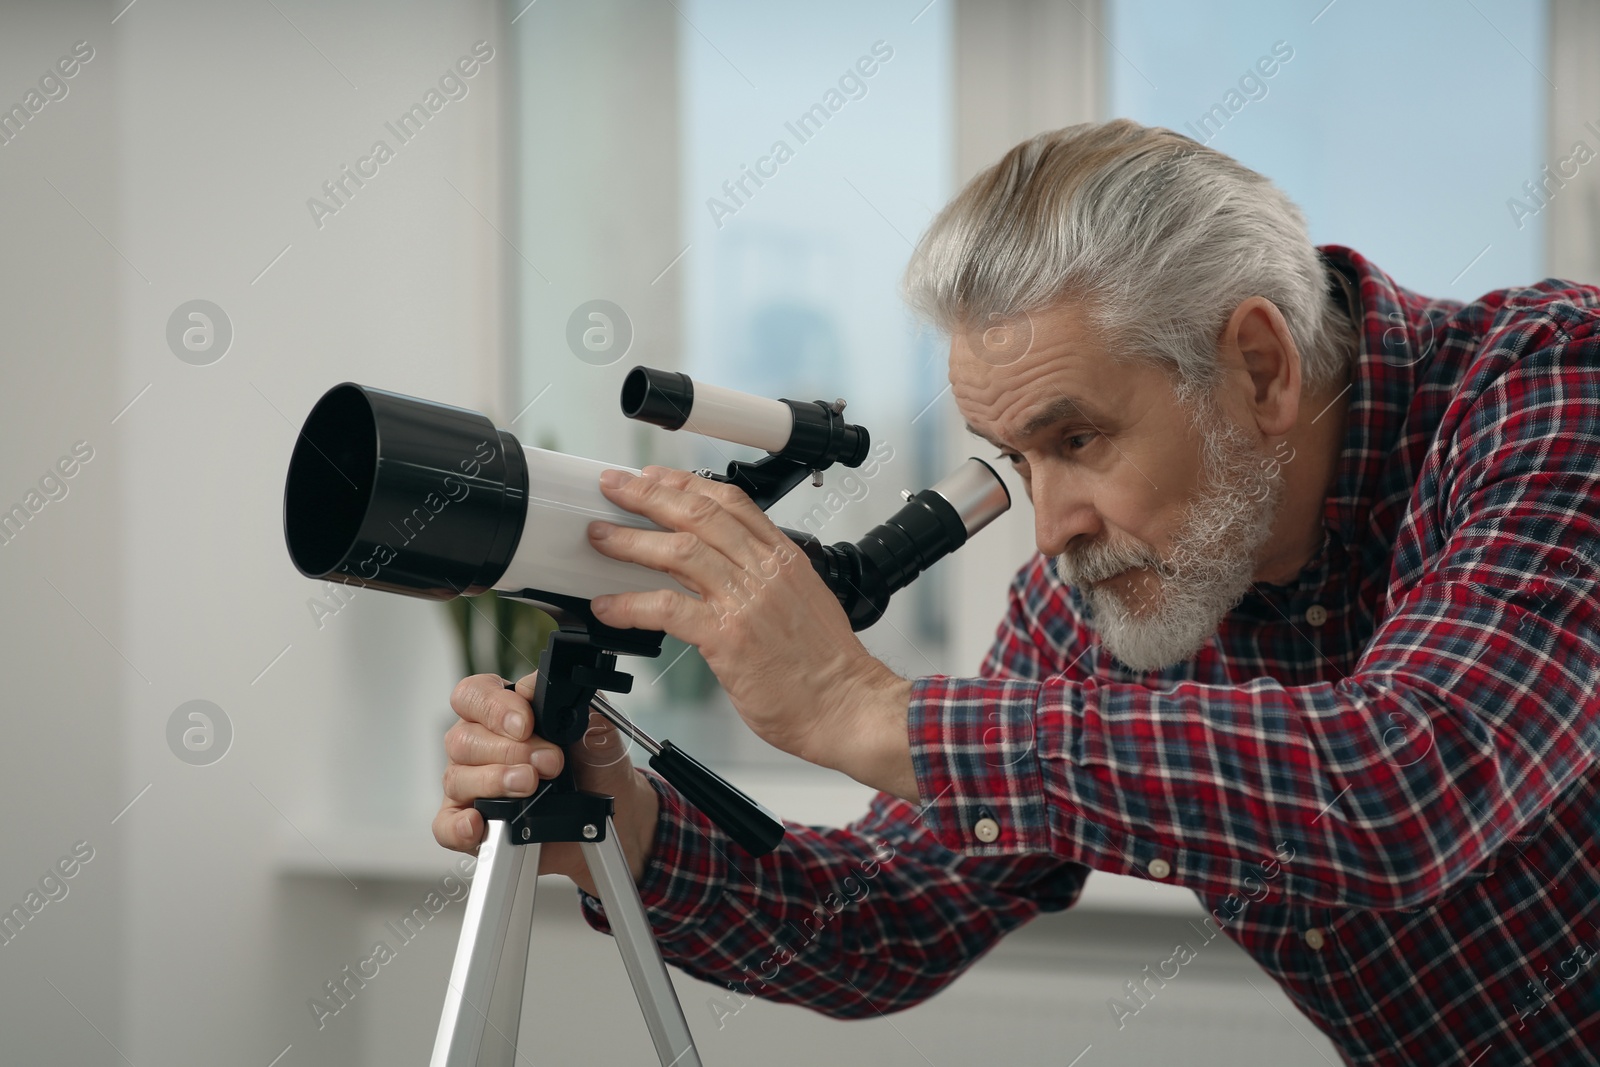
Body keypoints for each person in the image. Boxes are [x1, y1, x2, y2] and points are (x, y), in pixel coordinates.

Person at [433, 119, 1600, 1065]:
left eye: (1078, 438)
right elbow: (887, 919)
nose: (1051, 532)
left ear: (1258, 366)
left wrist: (867, 711)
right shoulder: (1110, 593)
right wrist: (624, 830)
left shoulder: (1555, 394)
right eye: (1016, 459)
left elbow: (1413, 779)